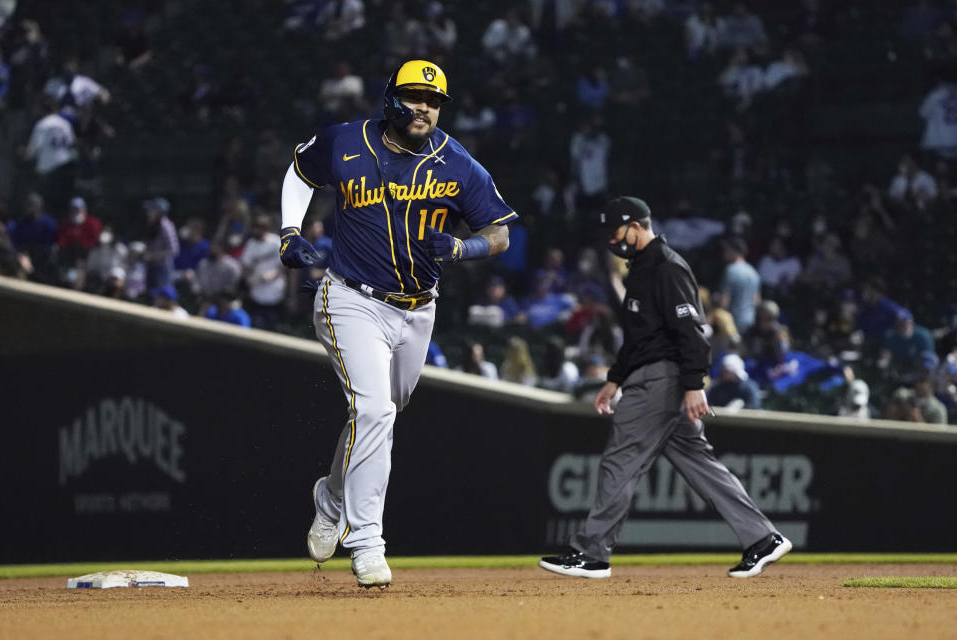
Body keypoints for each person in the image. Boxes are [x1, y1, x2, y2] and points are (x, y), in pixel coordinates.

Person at [278, 59, 516, 588]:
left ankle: (332, 494)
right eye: (413, 96)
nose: (424, 107)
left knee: (384, 413)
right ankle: (367, 542)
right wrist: (290, 229)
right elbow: (300, 172)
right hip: (349, 297)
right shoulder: (345, 140)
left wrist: (464, 246)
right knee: (374, 409)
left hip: (417, 310)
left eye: (433, 101)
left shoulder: (455, 162)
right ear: (390, 97)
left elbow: (500, 232)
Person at [538, 197, 791, 581]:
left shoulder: (667, 267)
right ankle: (763, 538)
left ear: (637, 225)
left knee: (620, 460)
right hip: (653, 375)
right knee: (699, 463)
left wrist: (693, 384)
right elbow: (640, 338)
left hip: (661, 381)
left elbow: (692, 331)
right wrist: (615, 378)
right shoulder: (642, 268)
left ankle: (591, 553)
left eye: (616, 230)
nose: (612, 239)